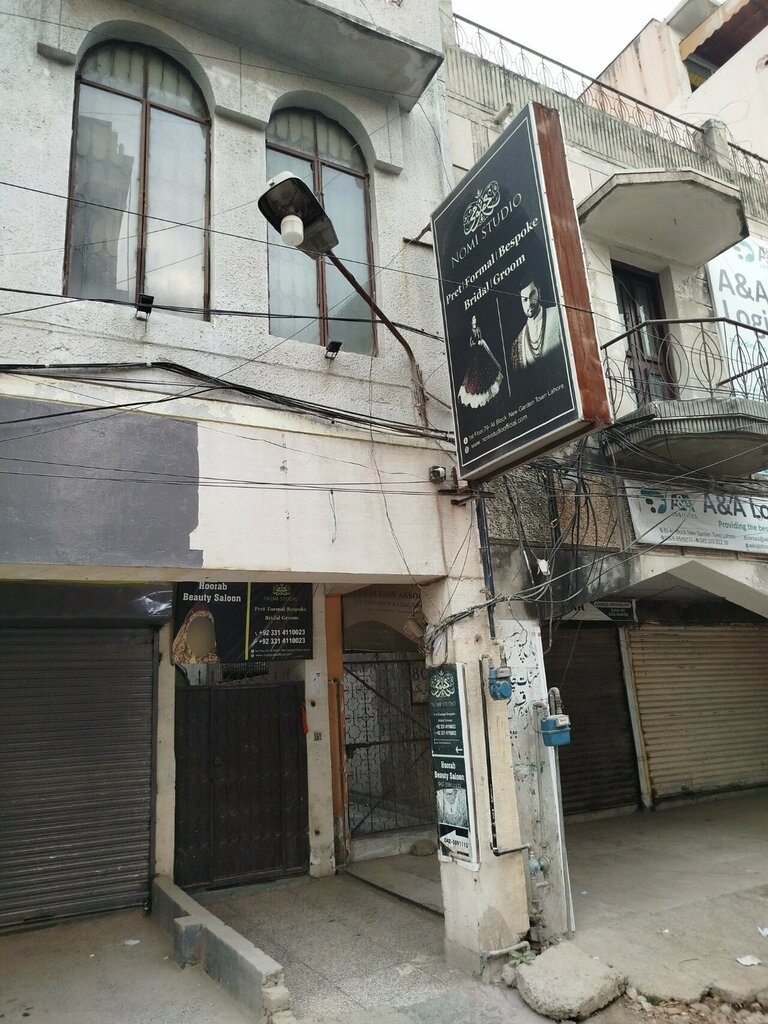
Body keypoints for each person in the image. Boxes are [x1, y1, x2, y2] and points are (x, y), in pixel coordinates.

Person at [510, 279, 563, 370]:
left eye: (532, 295)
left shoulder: (559, 315)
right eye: (525, 300)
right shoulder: (518, 343)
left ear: (539, 292)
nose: (529, 303)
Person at [457, 315, 504, 408]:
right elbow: (470, 343)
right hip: (475, 354)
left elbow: (480, 337)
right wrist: (474, 343)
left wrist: (480, 342)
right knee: (474, 372)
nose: (474, 322)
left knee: (485, 369)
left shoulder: (478, 329)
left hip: (480, 352)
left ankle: (490, 392)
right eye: (472, 320)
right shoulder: (471, 331)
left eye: (475, 320)